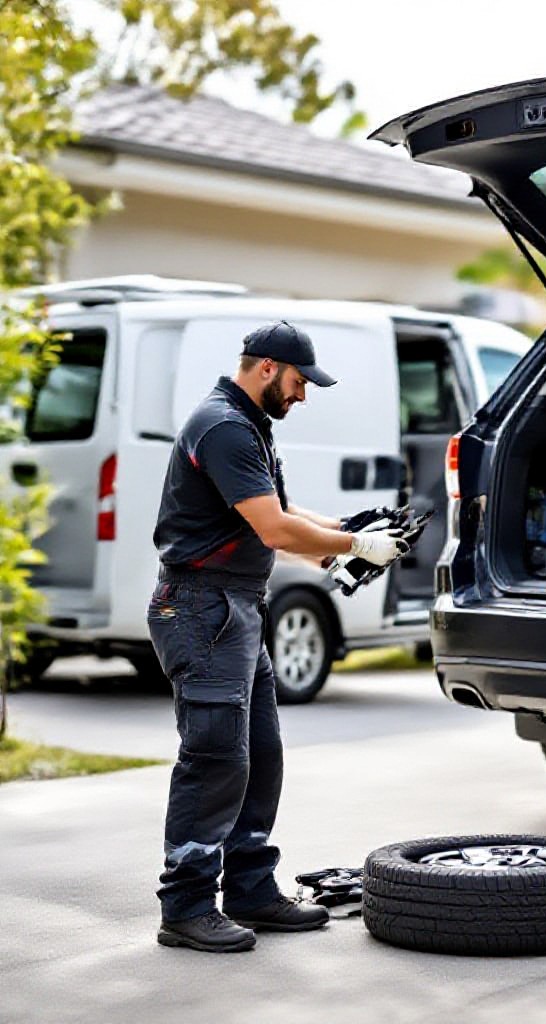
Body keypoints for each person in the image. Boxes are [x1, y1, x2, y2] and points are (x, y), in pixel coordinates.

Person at [148, 321, 407, 953]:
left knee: (260, 755)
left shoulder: (249, 424)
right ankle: (185, 907)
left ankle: (250, 889)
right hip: (201, 608)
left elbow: (283, 516)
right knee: (215, 758)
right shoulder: (223, 426)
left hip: (236, 608)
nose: (302, 394)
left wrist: (346, 532)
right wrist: (354, 545)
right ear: (266, 368)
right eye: (298, 381)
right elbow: (275, 530)